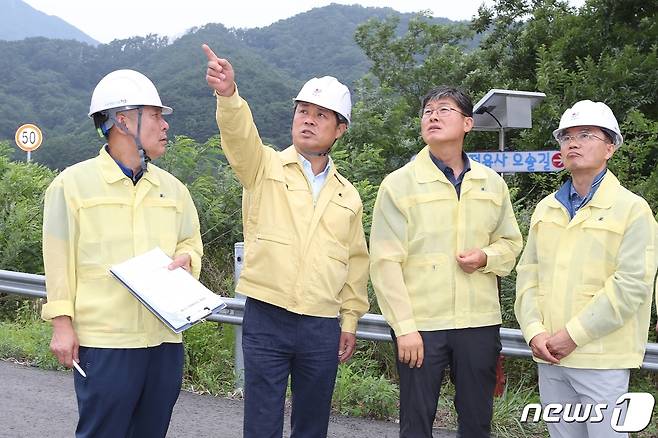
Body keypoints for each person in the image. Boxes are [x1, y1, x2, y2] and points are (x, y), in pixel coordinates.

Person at [202, 44, 369, 438]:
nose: (308, 121)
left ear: (340, 128)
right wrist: (228, 96)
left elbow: (356, 262)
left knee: (312, 423)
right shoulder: (264, 166)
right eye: (303, 112)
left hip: (321, 323)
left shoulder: (348, 195)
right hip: (268, 314)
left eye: (320, 115)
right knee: (261, 421)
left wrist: (349, 320)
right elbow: (240, 139)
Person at [41, 69, 203, 438]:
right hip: (106, 342)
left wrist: (187, 260)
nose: (165, 126)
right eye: (157, 115)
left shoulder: (174, 190)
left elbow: (190, 243)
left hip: (164, 340)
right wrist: (62, 325)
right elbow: (58, 260)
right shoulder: (71, 186)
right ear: (123, 120)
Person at [370, 85, 523, 438]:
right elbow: (385, 262)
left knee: (476, 421)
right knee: (416, 421)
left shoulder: (491, 183)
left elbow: (511, 243)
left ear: (468, 124)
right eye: (427, 112)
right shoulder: (399, 184)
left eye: (444, 110)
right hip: (421, 324)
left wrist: (487, 257)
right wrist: (404, 326)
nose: (433, 117)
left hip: (478, 322)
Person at [514, 100, 658, 437]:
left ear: (610, 148)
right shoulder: (546, 209)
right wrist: (535, 331)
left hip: (601, 359)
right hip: (550, 356)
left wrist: (572, 335)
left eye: (585, 135)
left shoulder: (632, 210)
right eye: (566, 137)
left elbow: (631, 285)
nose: (573, 143)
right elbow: (528, 275)